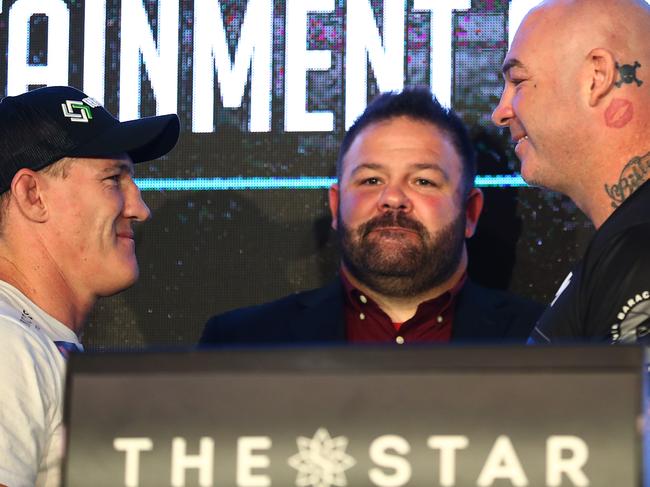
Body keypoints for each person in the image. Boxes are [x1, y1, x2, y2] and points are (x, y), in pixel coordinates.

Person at [201, 87, 542, 346]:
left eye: (423, 181)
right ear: (336, 206)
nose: (392, 198)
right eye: (371, 180)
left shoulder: (546, 340)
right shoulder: (242, 343)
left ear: (470, 212)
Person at [0, 86, 179, 486]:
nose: (141, 209)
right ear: (33, 196)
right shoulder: (7, 345)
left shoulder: (32, 342)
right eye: (114, 179)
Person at [492, 0, 650, 343]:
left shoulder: (639, 249)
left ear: (597, 77)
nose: (500, 112)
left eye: (518, 81)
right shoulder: (623, 244)